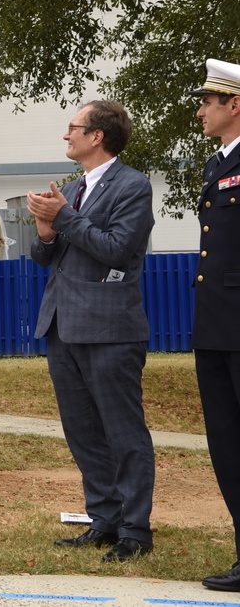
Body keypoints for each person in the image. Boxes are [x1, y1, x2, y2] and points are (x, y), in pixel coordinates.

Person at [26, 100, 155, 563]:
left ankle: (135, 530)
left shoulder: (133, 185)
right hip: (63, 325)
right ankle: (104, 519)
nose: (67, 135)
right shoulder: (74, 189)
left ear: (97, 135)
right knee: (82, 431)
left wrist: (62, 218)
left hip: (110, 329)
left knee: (123, 433)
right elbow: (49, 258)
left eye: (72, 128)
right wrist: (44, 229)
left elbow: (118, 250)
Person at [188, 58, 240, 592]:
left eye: (209, 101)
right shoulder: (216, 165)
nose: (201, 110)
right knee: (226, 442)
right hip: (217, 324)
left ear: (235, 104)